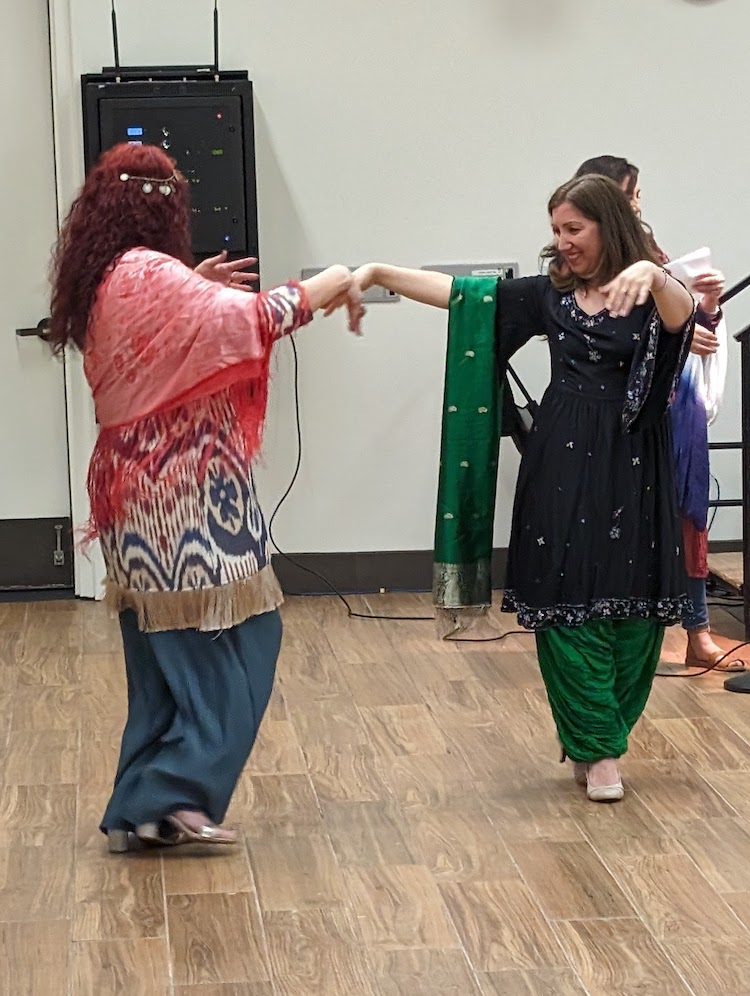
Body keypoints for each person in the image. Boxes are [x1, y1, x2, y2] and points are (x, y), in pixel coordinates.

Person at [49, 143, 364, 851]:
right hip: (186, 503)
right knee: (240, 645)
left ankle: (146, 804)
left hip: (139, 498)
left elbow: (167, 335)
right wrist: (344, 278)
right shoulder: (149, 272)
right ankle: (171, 798)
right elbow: (253, 320)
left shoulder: (106, 275)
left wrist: (190, 282)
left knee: (168, 665)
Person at [353, 175, 695, 802]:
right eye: (556, 231)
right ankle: (597, 750)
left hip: (634, 463)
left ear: (607, 227)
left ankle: (597, 728)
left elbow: (683, 315)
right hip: (561, 461)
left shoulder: (648, 291)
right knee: (566, 600)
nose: (562, 244)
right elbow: (465, 297)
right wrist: (379, 271)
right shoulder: (549, 296)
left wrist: (651, 273)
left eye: (574, 230)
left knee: (637, 607)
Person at [574, 156, 740, 672]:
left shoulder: (652, 253)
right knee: (622, 517)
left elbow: (688, 321)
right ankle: (608, 628)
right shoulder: (583, 267)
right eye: (631, 194)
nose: (639, 203)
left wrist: (706, 308)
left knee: (686, 516)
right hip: (621, 410)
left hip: (675, 405)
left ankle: (698, 631)